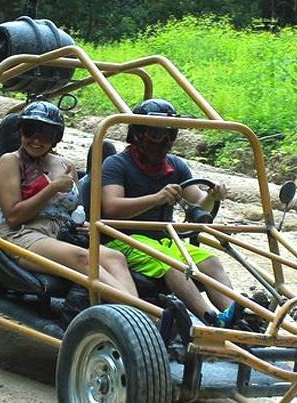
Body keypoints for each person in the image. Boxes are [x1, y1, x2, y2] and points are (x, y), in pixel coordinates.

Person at [100, 98, 239, 326]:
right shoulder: (117, 164)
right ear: (138, 134)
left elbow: (198, 204)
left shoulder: (175, 165)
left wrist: (212, 197)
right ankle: (212, 321)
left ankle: (235, 315)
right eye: (156, 134)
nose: (163, 142)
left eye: (170, 134)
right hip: (123, 239)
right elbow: (111, 207)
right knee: (173, 265)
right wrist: (156, 198)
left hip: (165, 239)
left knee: (211, 261)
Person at [0, 102, 139, 299]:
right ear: (21, 131)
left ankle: (136, 314)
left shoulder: (66, 165)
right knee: (83, 258)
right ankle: (138, 313)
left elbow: (76, 210)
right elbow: (13, 217)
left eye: (45, 134)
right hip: (23, 234)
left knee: (115, 257)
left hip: (62, 234)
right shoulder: (10, 161)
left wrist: (82, 225)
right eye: (29, 131)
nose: (36, 140)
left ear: (56, 138)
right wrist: (52, 188)